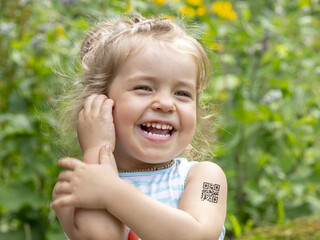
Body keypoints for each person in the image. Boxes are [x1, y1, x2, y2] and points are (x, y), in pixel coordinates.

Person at [50, 14, 227, 240]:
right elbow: (102, 236)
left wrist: (111, 192)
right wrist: (97, 149)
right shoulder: (77, 183)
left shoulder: (206, 179)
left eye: (182, 93)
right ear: (101, 102)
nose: (165, 104)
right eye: (144, 88)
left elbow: (199, 236)